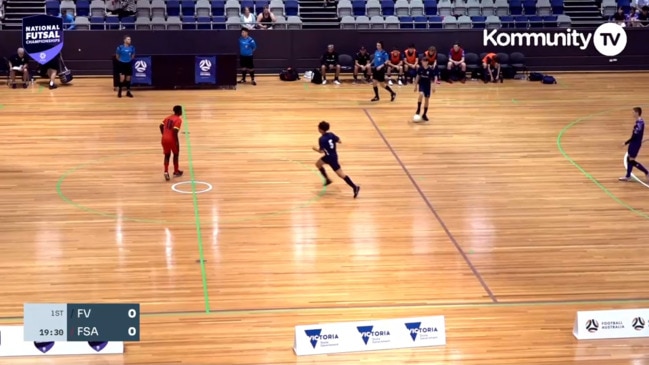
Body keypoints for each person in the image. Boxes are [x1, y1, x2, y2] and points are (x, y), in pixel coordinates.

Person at [313, 121, 360, 198]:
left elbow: (321, 151)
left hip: (331, 158)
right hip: (332, 156)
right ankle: (327, 180)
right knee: (318, 164)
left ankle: (355, 187)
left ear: (321, 129)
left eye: (318, 127)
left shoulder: (321, 139)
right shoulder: (331, 134)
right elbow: (339, 141)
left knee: (341, 174)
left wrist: (315, 149)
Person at [620, 107, 648, 181]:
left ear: (637, 113)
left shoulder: (639, 124)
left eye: (633, 112)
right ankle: (628, 176)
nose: (632, 113)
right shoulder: (639, 122)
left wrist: (626, 143)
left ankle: (646, 172)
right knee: (629, 158)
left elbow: (634, 136)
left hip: (635, 144)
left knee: (631, 160)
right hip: (634, 143)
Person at [160, 105, 184, 181]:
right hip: (172, 139)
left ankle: (166, 172)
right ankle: (176, 171)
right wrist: (176, 142)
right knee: (176, 154)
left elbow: (160, 125)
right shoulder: (178, 119)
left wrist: (163, 134)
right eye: (181, 110)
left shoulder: (168, 117)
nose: (182, 112)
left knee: (167, 155)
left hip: (164, 139)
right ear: (179, 111)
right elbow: (175, 131)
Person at [413, 57, 435, 122]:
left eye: (424, 61)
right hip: (421, 84)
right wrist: (415, 86)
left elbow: (432, 80)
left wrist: (433, 87)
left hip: (427, 86)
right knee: (421, 94)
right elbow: (417, 77)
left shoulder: (430, 70)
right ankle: (418, 109)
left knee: (426, 100)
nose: (423, 63)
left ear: (427, 62)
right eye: (422, 61)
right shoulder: (420, 69)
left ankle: (424, 114)